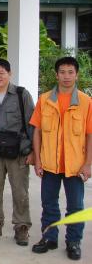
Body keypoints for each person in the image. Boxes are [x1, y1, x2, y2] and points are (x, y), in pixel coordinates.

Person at [30, 56, 92, 261]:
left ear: (76, 75)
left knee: (75, 205)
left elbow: (89, 135)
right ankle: (49, 238)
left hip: (75, 166)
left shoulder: (86, 102)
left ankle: (73, 242)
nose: (66, 76)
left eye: (70, 72)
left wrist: (88, 163)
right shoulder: (45, 99)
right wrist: (37, 160)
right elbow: (37, 132)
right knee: (49, 204)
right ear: (56, 75)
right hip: (49, 164)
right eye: (62, 72)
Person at [0, 58, 34, 246]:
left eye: (1, 73)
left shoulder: (21, 94)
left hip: (18, 151)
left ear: (9, 73)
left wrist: (33, 151)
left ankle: (21, 228)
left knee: (20, 191)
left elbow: (32, 124)